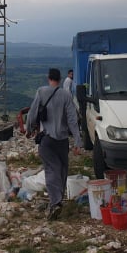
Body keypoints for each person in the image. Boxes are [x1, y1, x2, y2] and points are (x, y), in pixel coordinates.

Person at [26, 68, 82, 220]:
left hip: (47, 139)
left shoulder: (41, 92)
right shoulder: (66, 95)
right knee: (62, 169)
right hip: (62, 141)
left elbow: (32, 114)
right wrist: (78, 141)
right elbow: (72, 119)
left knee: (51, 170)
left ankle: (55, 202)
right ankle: (58, 198)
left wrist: (29, 129)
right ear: (60, 78)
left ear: (48, 78)